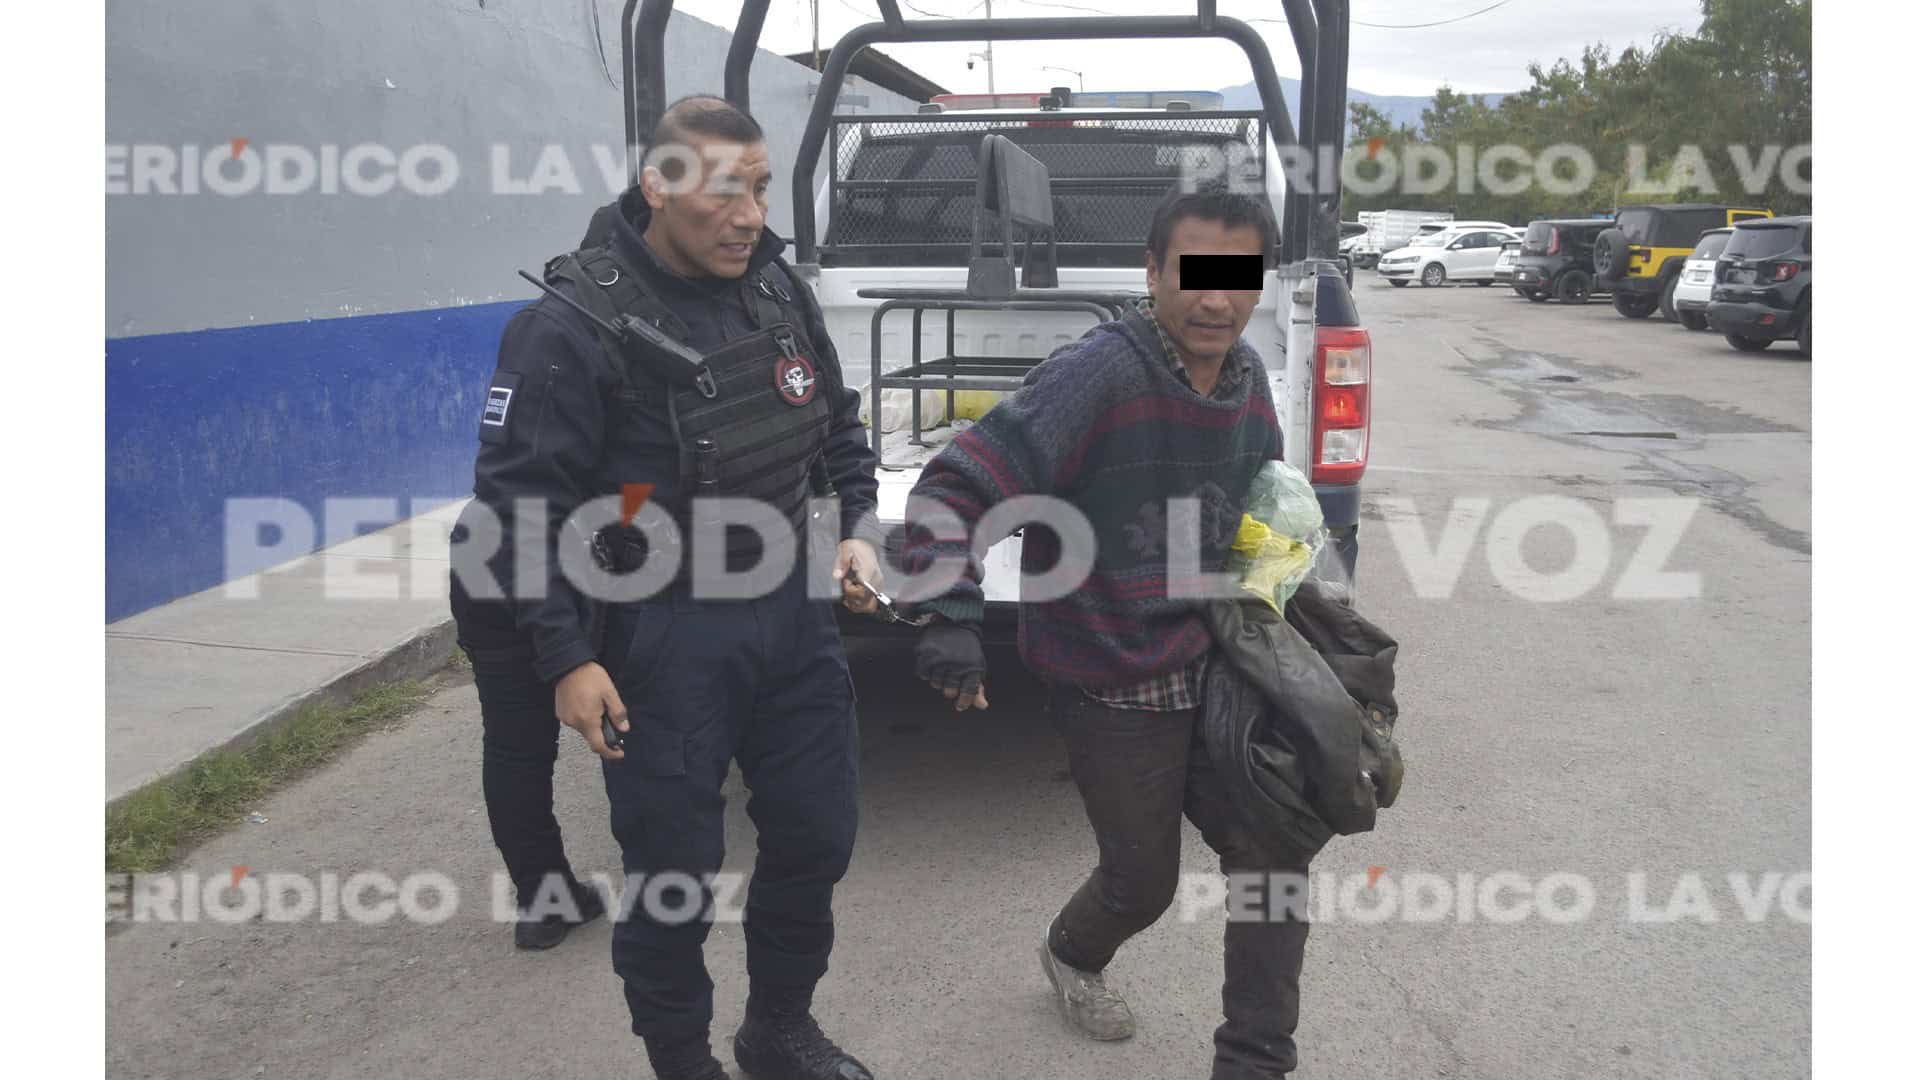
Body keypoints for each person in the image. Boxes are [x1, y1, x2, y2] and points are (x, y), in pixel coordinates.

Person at [448, 95, 883, 1080]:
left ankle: (780, 1028)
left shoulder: (776, 288)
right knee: (673, 879)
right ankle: (684, 1062)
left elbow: (839, 428)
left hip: (791, 617)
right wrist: (566, 656)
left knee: (818, 834)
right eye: (724, 190)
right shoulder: (570, 327)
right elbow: (522, 513)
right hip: (663, 637)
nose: (747, 215)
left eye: (761, 189)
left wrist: (853, 531)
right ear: (659, 185)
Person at [899, 184, 1322, 1078]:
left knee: (1275, 853)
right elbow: (953, 487)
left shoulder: (1246, 384)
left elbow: (1257, 511)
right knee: (1143, 882)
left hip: (1211, 662)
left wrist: (1286, 591)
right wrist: (947, 608)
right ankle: (1072, 954)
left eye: (1238, 276)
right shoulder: (1098, 374)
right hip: (1109, 673)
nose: (1218, 299)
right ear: (1153, 271)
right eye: (1195, 275)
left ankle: (1254, 1061)